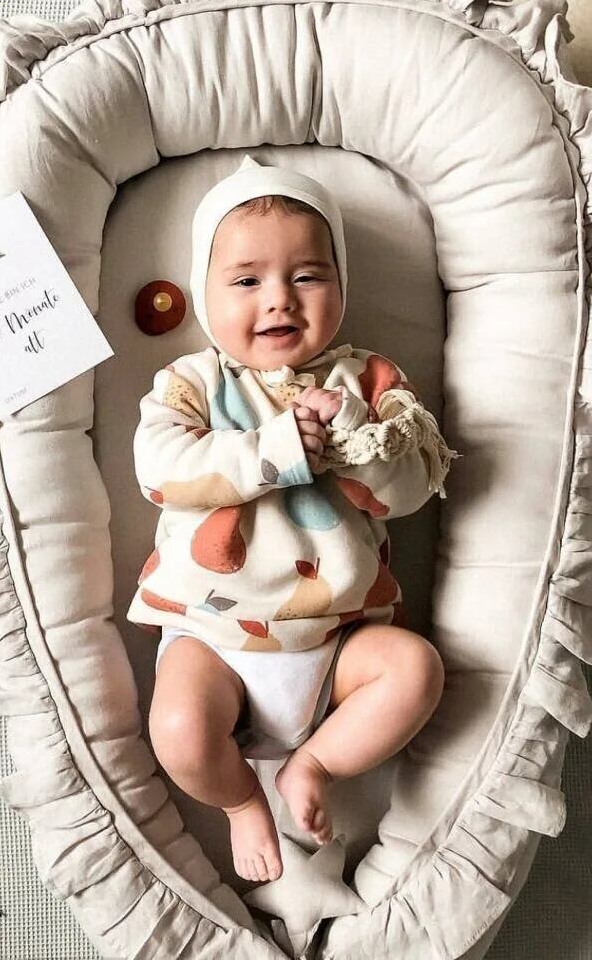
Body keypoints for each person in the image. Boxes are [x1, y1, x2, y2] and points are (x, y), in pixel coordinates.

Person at [126, 153, 461, 884]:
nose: (279, 299)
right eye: (247, 281)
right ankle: (240, 799)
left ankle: (312, 764)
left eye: (307, 276)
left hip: (341, 641)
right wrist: (275, 451)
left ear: (341, 284)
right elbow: (160, 471)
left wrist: (353, 438)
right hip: (214, 636)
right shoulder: (192, 382)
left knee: (416, 671)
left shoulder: (369, 379)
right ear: (203, 293)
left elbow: (412, 485)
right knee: (178, 731)